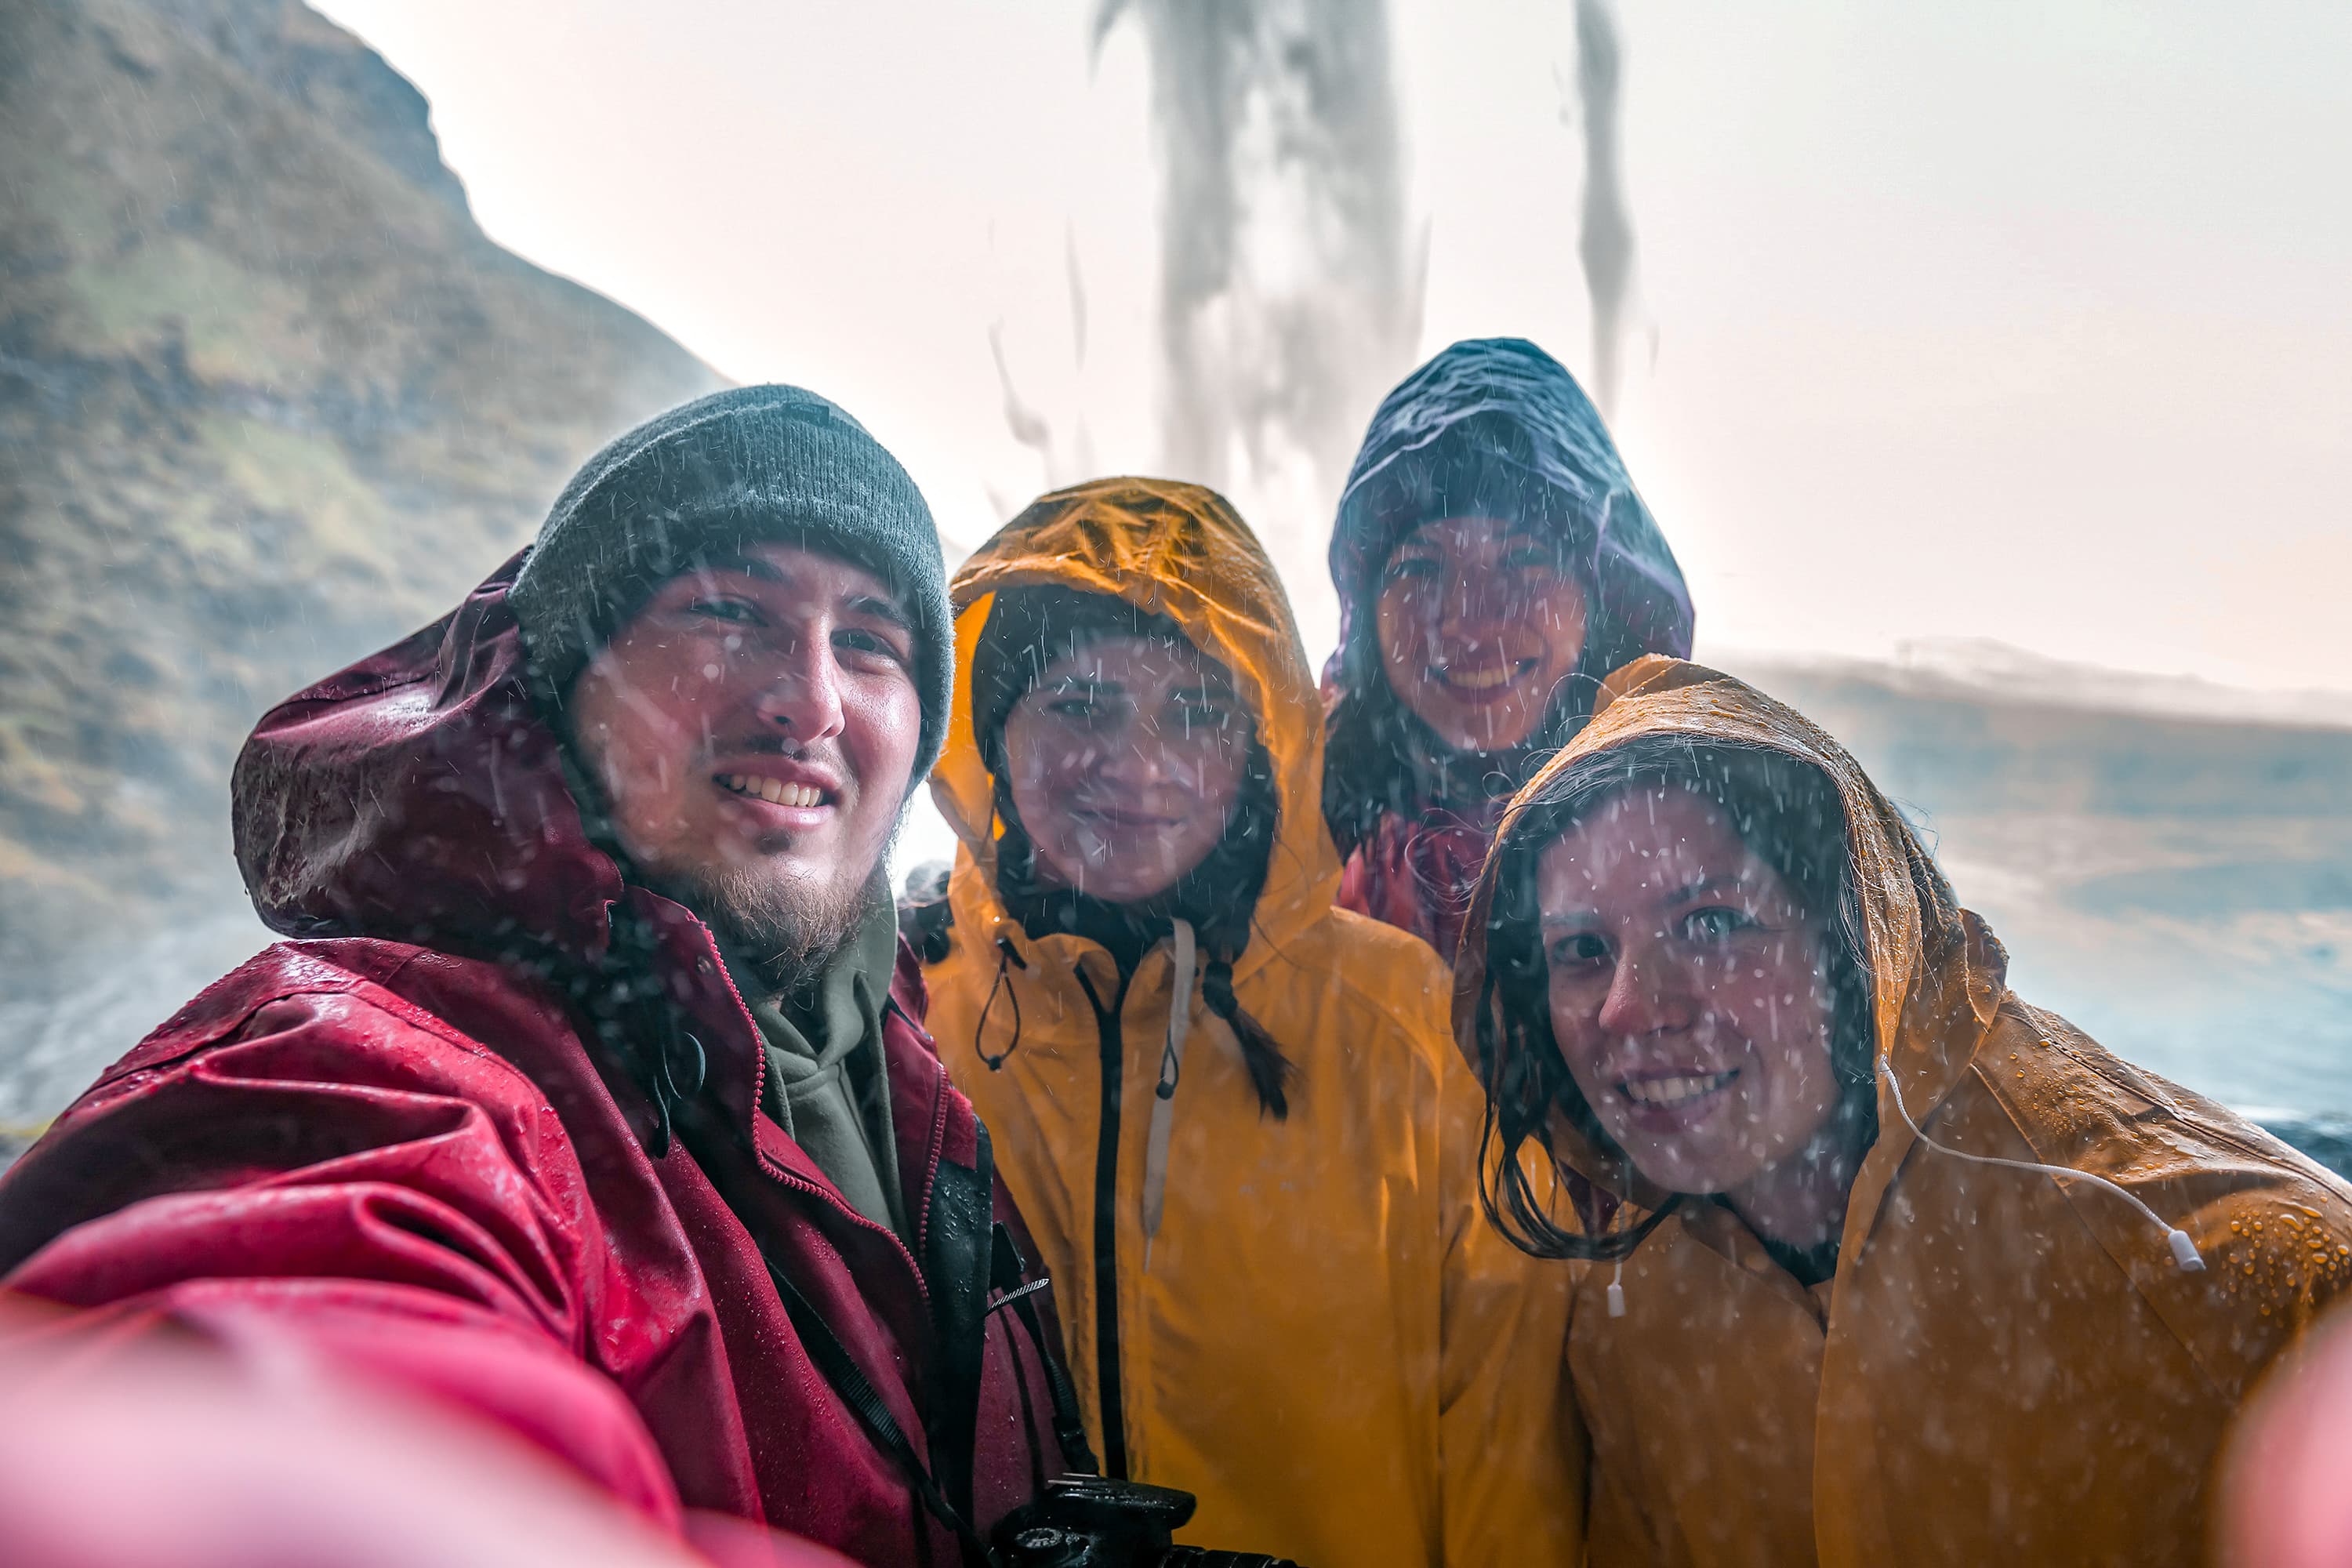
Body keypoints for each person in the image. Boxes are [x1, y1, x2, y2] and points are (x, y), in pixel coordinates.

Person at [0, 387, 1087, 1566]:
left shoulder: (911, 1076)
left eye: (870, 643)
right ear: (567, 686)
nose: (811, 700)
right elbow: (285, 1344)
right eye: (731, 612)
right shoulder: (386, 1071)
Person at [1453, 654, 2352, 1566]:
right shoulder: (1638, 1316)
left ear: (1856, 945)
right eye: (1583, 949)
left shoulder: (2235, 1285)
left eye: (1712, 923)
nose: (1629, 1006)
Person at [910, 477, 1555, 1566]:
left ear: (1261, 754)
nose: (1139, 764)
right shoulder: (913, 1016)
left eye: (1198, 713)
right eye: (1078, 703)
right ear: (992, 727)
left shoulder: (1404, 1029)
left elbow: (1511, 1446)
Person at [1322, 337, 1693, 965]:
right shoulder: (1282, 832)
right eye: (1420, 568)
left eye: (1524, 560)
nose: (1468, 621)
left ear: (1600, 600)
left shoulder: (1701, 826)